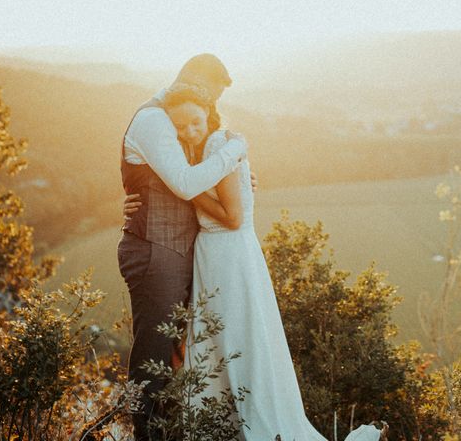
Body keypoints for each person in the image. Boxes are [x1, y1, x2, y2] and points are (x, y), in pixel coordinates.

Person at [124, 83, 389, 441]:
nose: (188, 132)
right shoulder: (203, 152)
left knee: (238, 337)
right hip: (212, 256)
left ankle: (248, 422)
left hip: (228, 256)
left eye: (195, 123)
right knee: (217, 341)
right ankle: (214, 422)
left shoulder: (221, 146)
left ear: (210, 114)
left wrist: (186, 188)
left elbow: (232, 218)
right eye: (180, 127)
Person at [117, 54, 249, 441]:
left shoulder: (177, 117)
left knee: (179, 354)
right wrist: (233, 153)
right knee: (152, 357)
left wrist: (237, 177)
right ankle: (144, 435)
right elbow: (185, 184)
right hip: (156, 252)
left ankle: (173, 430)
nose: (210, 108)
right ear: (191, 81)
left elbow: (181, 174)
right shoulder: (154, 119)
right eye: (210, 95)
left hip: (179, 251)